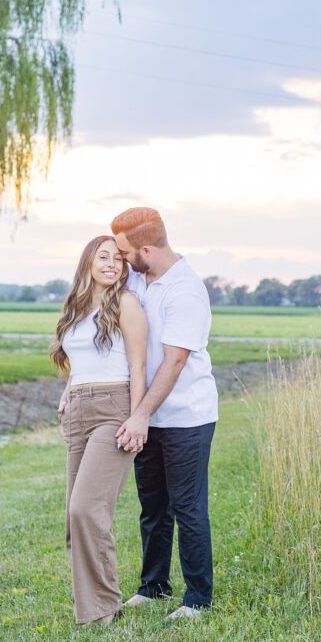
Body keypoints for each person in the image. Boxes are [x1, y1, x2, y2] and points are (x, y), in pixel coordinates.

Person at [111, 207, 219, 620]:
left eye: (124, 252)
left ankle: (197, 598)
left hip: (187, 416)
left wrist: (140, 415)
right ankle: (154, 585)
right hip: (148, 415)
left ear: (147, 249)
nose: (121, 260)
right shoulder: (139, 277)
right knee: (153, 506)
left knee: (187, 505)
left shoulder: (185, 291)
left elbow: (174, 362)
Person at [50, 235, 148, 626]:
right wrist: (68, 391)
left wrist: (138, 417)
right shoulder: (76, 306)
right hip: (78, 409)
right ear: (88, 261)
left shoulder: (126, 304)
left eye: (118, 259)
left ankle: (106, 606)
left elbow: (138, 367)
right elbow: (81, 360)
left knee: (86, 509)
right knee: (74, 519)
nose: (112, 264)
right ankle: (89, 611)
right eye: (103, 257)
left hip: (114, 408)